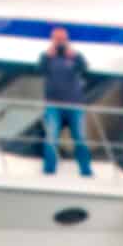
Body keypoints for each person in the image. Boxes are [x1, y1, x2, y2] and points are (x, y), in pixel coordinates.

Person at [37, 27, 92, 177]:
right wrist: (48, 56)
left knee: (80, 138)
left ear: (67, 40)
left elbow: (84, 68)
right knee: (51, 137)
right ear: (52, 40)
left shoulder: (75, 56)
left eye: (62, 39)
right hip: (53, 104)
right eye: (57, 39)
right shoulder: (47, 56)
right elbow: (40, 69)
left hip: (75, 104)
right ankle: (49, 169)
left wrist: (74, 55)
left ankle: (85, 170)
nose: (60, 43)